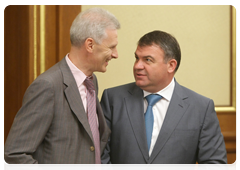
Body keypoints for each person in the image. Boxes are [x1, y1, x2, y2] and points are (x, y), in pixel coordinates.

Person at [4, 7, 120, 170]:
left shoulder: (92, 82)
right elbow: (15, 154)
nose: (115, 54)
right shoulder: (48, 86)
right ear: (90, 45)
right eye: (111, 47)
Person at [100, 30, 228, 170]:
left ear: (171, 65)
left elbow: (215, 165)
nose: (137, 66)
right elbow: (100, 155)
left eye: (148, 60)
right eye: (137, 58)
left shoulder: (200, 108)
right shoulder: (113, 99)